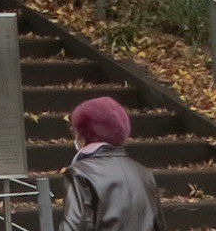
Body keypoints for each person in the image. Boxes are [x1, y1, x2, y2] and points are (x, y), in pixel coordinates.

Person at [60, 96, 158, 231]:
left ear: (83, 134)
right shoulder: (144, 173)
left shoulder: (80, 173)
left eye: (75, 131)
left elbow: (74, 226)